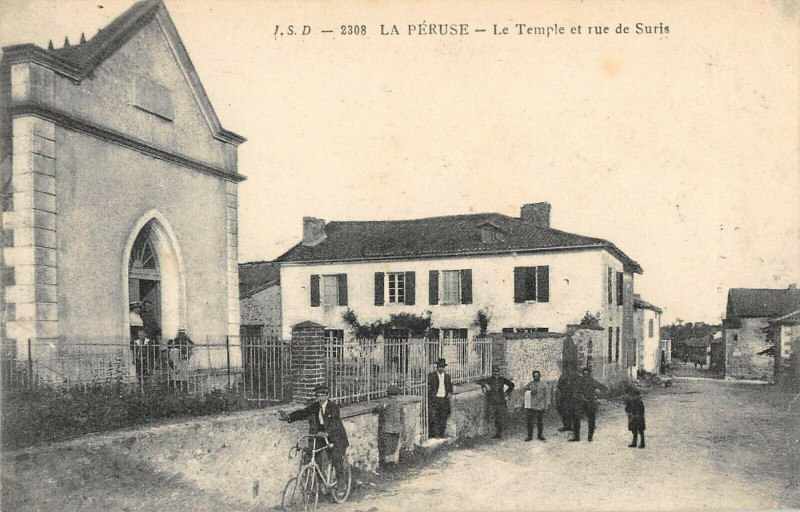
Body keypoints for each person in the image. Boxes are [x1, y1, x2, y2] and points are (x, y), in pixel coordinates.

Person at [279, 385, 349, 485]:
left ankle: (341, 483)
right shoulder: (316, 406)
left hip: (336, 436)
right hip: (321, 436)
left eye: (322, 396)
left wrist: (327, 432)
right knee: (311, 454)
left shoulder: (333, 407)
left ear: (327, 395)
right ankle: (319, 482)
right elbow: (303, 412)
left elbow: (335, 423)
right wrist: (289, 416)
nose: (320, 398)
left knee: (336, 456)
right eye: (318, 396)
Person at [570, 366, 609, 442]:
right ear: (582, 374)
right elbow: (574, 391)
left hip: (590, 403)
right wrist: (576, 397)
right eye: (584, 374)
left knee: (591, 420)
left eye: (587, 374)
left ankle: (590, 437)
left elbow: (605, 389)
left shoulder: (593, 381)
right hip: (581, 402)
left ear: (589, 374)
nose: (585, 375)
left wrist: (598, 395)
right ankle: (577, 437)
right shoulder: (579, 382)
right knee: (576, 418)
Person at [477, 366, 515, 439]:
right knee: (492, 416)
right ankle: (492, 433)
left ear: (499, 372)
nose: (495, 373)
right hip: (492, 401)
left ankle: (499, 433)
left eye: (497, 372)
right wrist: (485, 384)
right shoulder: (489, 379)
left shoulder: (502, 379)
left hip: (501, 401)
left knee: (500, 417)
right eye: (494, 372)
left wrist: (507, 393)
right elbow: (478, 381)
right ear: (492, 373)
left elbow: (512, 385)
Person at [373, 385, 405, 466]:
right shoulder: (399, 403)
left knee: (388, 448)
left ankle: (388, 465)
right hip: (396, 429)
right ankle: (390, 464)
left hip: (387, 429)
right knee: (392, 448)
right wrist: (403, 429)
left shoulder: (385, 402)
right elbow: (402, 417)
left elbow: (376, 409)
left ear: (388, 394)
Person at [427, 358, 453, 438]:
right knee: (434, 417)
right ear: (437, 367)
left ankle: (442, 434)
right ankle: (435, 434)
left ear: (444, 368)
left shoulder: (447, 377)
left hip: (444, 399)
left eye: (442, 367)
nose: (441, 368)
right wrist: (431, 397)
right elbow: (429, 387)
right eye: (440, 367)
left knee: (443, 416)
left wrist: (450, 393)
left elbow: (450, 386)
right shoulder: (432, 376)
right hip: (435, 399)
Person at [522, 370, 550, 441]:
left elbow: (547, 394)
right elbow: (524, 391)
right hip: (531, 406)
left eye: (537, 376)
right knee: (530, 421)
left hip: (540, 406)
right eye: (534, 376)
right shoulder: (530, 384)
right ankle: (529, 436)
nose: (535, 377)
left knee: (539, 421)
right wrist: (530, 392)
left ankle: (540, 435)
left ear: (540, 376)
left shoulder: (544, 384)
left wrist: (547, 404)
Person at [556, 364, 577, 432]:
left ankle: (572, 426)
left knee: (572, 411)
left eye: (571, 368)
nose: (569, 370)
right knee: (564, 411)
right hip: (564, 396)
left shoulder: (576, 377)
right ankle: (566, 426)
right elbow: (559, 385)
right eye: (568, 368)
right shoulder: (563, 376)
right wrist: (564, 390)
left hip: (573, 397)